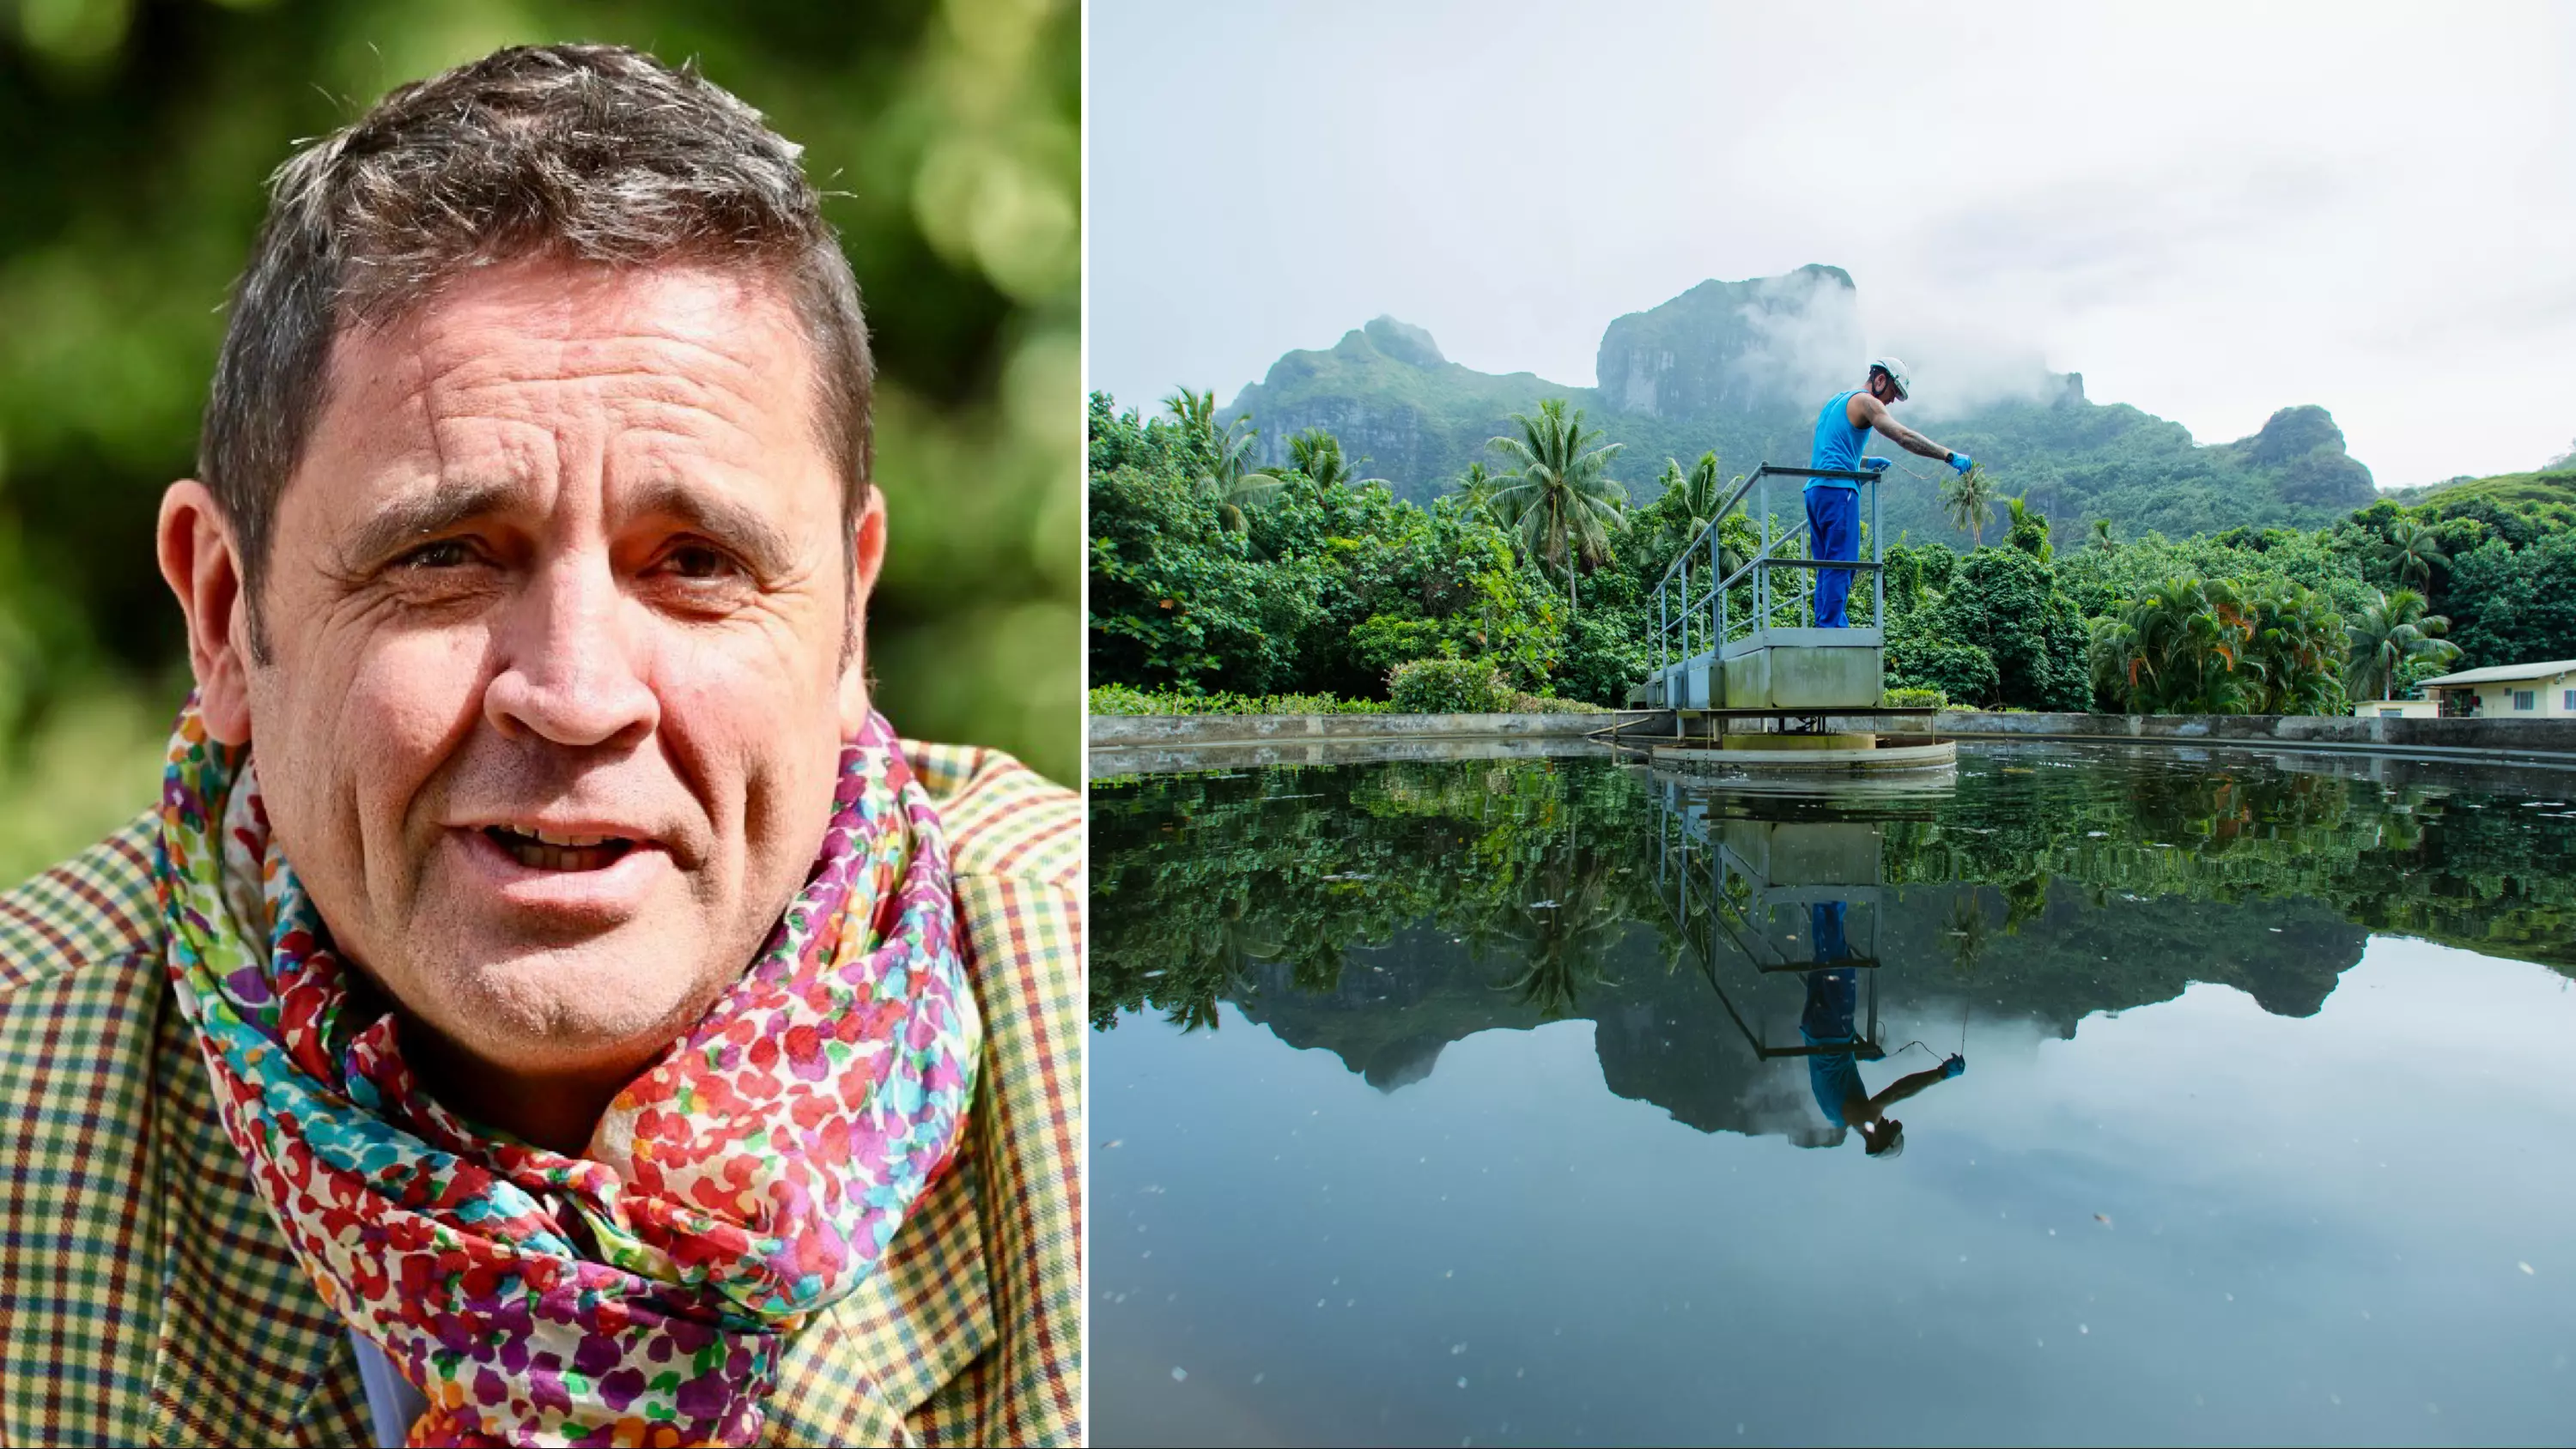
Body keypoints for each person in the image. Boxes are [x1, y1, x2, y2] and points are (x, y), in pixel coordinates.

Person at [0, 45, 1080, 1448]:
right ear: (224, 614)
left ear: (847, 622)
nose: (576, 695)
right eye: (446, 556)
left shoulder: (1106, 1055)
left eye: (695, 561)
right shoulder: (31, 1095)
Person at [1807, 357, 1975, 627]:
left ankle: (1825, 623)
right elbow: (1903, 436)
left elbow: (1830, 453)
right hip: (1838, 491)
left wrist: (1862, 463)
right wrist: (1947, 454)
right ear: (1880, 379)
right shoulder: (1867, 402)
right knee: (1843, 561)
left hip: (1815, 492)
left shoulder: (1836, 402)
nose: (1891, 402)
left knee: (1827, 564)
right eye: (1893, 393)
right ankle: (1831, 628)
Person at [1799, 903, 1963, 1157]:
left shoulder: (1865, 1117)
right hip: (1816, 1030)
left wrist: (1941, 1074)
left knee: (1838, 959)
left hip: (1833, 1030)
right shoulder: (1837, 1116)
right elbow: (1833, 1069)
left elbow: (1898, 1091)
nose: (1887, 1122)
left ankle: (1829, 889)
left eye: (1889, 1131)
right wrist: (1862, 1052)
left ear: (1876, 1143)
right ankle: (1824, 896)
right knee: (1828, 957)